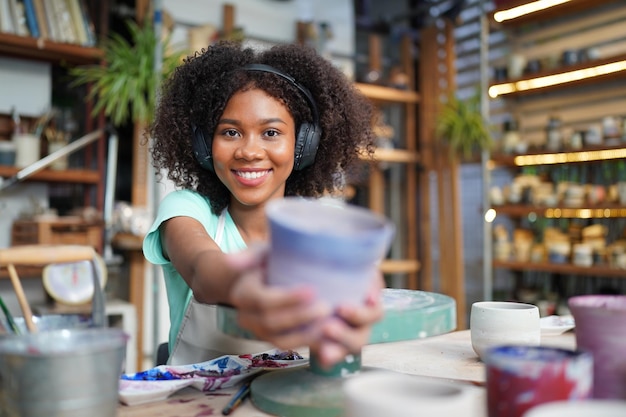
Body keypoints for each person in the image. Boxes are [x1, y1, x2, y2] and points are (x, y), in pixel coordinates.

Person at [143, 40, 383, 367]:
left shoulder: (320, 225)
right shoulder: (186, 210)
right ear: (203, 145)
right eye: (230, 133)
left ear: (303, 145)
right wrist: (246, 281)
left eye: (270, 133)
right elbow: (202, 270)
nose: (249, 151)